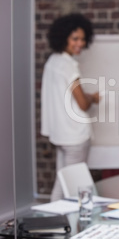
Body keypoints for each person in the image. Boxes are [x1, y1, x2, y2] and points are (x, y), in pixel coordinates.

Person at [41, 13, 100, 201]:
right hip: (75, 135)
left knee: (63, 180)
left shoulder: (53, 62)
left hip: (60, 133)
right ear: (63, 37)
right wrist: (93, 98)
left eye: (82, 39)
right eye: (75, 38)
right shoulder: (69, 66)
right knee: (70, 187)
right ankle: (53, 222)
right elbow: (82, 103)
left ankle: (56, 223)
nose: (80, 43)